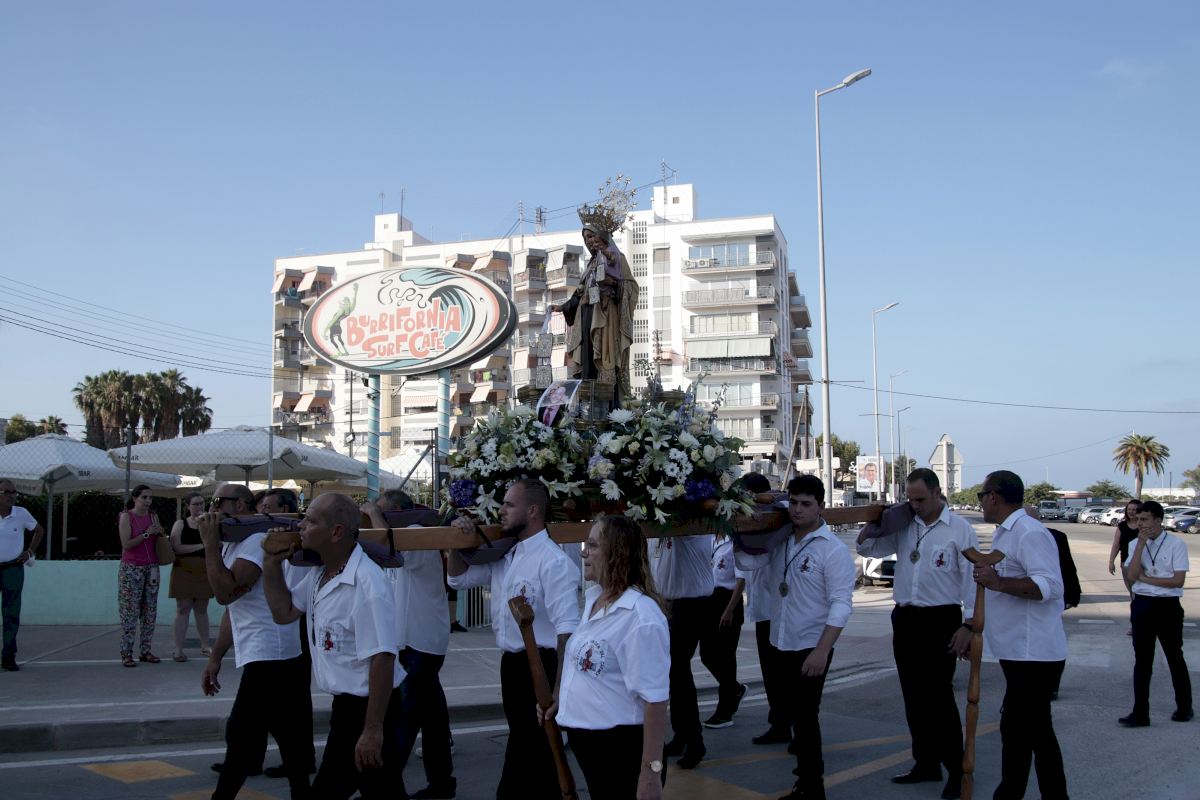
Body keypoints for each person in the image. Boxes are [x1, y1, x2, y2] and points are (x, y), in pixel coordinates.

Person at [262, 492, 407, 798]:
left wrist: (372, 730)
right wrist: (271, 564)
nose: (301, 526)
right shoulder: (320, 573)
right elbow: (284, 613)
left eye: (311, 521)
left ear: (336, 532)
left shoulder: (367, 583)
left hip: (370, 707)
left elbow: (383, 658)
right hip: (347, 708)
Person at [447, 478, 580, 800]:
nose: (501, 510)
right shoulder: (506, 555)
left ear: (532, 511)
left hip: (542, 667)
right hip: (512, 667)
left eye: (509, 504)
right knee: (532, 752)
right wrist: (456, 541)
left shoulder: (553, 561)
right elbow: (457, 579)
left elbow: (567, 630)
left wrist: (559, 690)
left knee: (533, 752)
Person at [857, 468, 977, 800]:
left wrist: (969, 626)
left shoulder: (959, 529)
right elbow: (869, 550)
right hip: (906, 618)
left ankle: (957, 771)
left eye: (921, 499)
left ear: (938, 492)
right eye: (910, 499)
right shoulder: (905, 525)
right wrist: (875, 524)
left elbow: (971, 582)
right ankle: (925, 763)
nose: (915, 505)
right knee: (913, 696)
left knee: (939, 698)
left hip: (941, 620)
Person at [735, 474, 855, 800]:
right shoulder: (782, 540)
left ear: (821, 506)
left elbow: (841, 605)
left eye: (806, 504)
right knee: (793, 714)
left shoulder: (832, 550)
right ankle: (804, 781)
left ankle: (812, 787)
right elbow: (749, 562)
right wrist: (735, 530)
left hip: (811, 646)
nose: (798, 510)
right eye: (794, 503)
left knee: (805, 717)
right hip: (780, 641)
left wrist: (822, 651)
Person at [198, 483, 312, 799]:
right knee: (287, 739)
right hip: (270, 652)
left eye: (217, 501)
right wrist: (215, 657)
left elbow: (225, 593)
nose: (212, 508)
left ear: (239, 505)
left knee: (241, 737)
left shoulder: (253, 542)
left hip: (271, 652)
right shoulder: (236, 543)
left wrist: (209, 546)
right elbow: (234, 609)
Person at [542, 514, 669, 799]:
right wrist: (562, 701)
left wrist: (651, 773)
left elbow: (656, 701)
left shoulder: (640, 616)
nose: (583, 553)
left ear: (617, 553)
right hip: (593, 750)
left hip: (622, 751)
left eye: (593, 545)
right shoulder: (594, 600)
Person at [971, 471, 1068, 800]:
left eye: (981, 496)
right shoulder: (1006, 532)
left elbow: (1050, 586)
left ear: (994, 496)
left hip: (1033, 652)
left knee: (1029, 732)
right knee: (1022, 731)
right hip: (1018, 651)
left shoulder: (1029, 532)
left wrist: (998, 582)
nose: (981, 503)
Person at [363, 489, 458, 799]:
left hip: (420, 641)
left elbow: (386, 546)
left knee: (402, 719)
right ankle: (442, 783)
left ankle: (384, 789)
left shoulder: (415, 534)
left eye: (383, 512)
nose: (376, 517)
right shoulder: (403, 534)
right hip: (416, 640)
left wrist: (373, 515)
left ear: (397, 512)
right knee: (432, 717)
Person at [1119, 500, 1192, 726]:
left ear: (1158, 520)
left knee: (1174, 657)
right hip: (1142, 604)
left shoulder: (1176, 544)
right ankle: (1140, 712)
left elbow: (1177, 581)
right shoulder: (1135, 544)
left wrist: (1146, 578)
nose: (1140, 524)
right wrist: (1140, 546)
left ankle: (1184, 707)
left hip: (1167, 606)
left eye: (1144, 520)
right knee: (1142, 661)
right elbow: (1132, 576)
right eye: (1138, 520)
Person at [651, 524, 714, 769]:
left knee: (679, 671)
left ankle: (695, 741)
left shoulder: (689, 525)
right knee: (674, 674)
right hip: (667, 603)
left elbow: (683, 524)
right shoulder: (659, 525)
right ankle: (682, 735)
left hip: (690, 605)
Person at [553, 222, 639, 393]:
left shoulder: (617, 257)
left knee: (605, 357)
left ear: (602, 237)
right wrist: (564, 306)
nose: (589, 241)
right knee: (587, 357)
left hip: (606, 317)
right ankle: (588, 397)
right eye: (586, 238)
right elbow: (580, 292)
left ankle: (608, 400)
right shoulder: (590, 265)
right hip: (586, 314)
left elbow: (631, 287)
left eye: (592, 236)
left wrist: (612, 283)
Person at [698, 532, 747, 729]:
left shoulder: (735, 542)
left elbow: (741, 579)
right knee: (707, 654)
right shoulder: (708, 538)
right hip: (709, 600)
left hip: (728, 601)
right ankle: (734, 689)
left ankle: (725, 711)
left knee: (726, 657)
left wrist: (729, 610)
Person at [117, 485, 164, 667]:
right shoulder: (127, 517)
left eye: (150, 498)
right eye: (144, 497)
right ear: (135, 498)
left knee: (149, 611)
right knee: (130, 611)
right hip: (132, 567)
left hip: (151, 567)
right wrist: (146, 533)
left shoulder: (153, 516)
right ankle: (126, 652)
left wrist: (159, 532)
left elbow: (159, 538)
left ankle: (145, 650)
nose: (148, 501)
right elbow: (126, 544)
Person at [0, 479, 43, 672]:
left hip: (13, 569)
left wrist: (29, 551)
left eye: (14, 492)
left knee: (11, 614)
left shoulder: (21, 513)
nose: (12, 496)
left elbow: (39, 530)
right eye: (7, 492)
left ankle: (9, 656)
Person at [168, 492, 213, 662]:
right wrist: (202, 546)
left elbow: (215, 544)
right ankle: (178, 649)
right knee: (183, 607)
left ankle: (205, 645)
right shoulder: (180, 524)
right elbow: (177, 547)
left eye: (201, 503)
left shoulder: (209, 523)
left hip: (204, 568)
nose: (199, 506)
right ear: (188, 506)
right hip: (183, 569)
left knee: (202, 607)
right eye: (195, 504)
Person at [1107, 499, 1142, 586]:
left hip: (1143, 563)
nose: (1131, 512)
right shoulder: (1122, 526)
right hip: (1125, 562)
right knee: (1131, 589)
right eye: (1129, 509)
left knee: (1142, 589)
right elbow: (1116, 545)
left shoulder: (1144, 526)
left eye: (1134, 510)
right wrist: (1111, 562)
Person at [324, 283, 359, 356]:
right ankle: (346, 351)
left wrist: (325, 331)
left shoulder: (341, 311)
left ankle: (340, 352)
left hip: (334, 327)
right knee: (339, 339)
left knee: (332, 340)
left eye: (344, 302)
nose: (343, 304)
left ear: (346, 303)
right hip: (339, 327)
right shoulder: (350, 309)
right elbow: (354, 301)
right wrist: (355, 291)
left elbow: (332, 322)